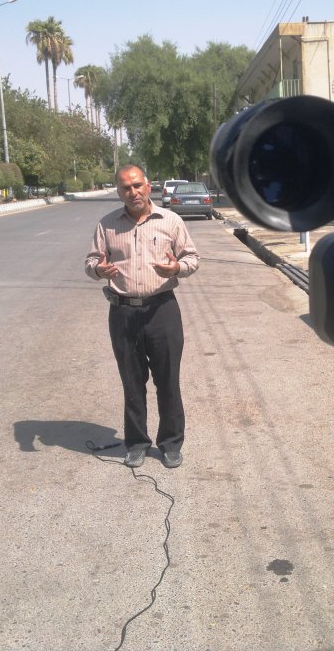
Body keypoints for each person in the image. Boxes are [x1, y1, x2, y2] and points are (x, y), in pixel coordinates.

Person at [84, 165, 199, 469]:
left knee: (168, 381)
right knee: (132, 383)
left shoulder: (170, 221)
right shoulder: (107, 225)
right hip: (123, 313)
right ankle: (136, 444)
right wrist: (99, 270)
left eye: (137, 185)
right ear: (119, 191)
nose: (132, 192)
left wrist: (177, 268)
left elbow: (192, 257)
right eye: (125, 187)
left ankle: (171, 444)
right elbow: (91, 263)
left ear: (148, 186)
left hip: (162, 310)